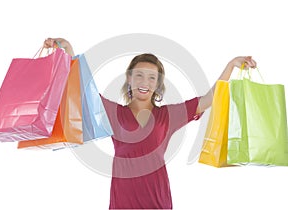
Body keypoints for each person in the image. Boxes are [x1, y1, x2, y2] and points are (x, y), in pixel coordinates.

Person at [44, 38, 257, 209]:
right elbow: (83, 90)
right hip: (122, 203)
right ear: (129, 79)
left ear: (157, 85)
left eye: (151, 78)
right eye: (138, 76)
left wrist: (231, 66)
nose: (144, 83)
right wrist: (68, 50)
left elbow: (208, 100)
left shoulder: (168, 115)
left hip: (157, 201)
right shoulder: (113, 112)